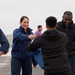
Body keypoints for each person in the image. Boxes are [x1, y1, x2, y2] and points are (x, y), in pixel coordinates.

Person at [57, 11, 75, 75]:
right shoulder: (57, 26)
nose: (67, 21)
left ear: (72, 18)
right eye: (65, 19)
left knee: (72, 72)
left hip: (71, 55)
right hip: (59, 54)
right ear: (62, 17)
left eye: (69, 20)